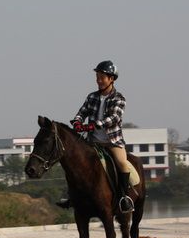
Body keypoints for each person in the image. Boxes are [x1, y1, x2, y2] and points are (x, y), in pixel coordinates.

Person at [57, 60, 135, 213]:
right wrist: (78, 122)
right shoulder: (92, 97)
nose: (98, 80)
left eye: (102, 77)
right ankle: (72, 196)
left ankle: (124, 198)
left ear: (111, 79)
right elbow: (81, 112)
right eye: (97, 77)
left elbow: (114, 118)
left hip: (112, 142)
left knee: (122, 163)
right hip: (93, 142)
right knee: (75, 162)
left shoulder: (119, 98)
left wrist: (94, 124)